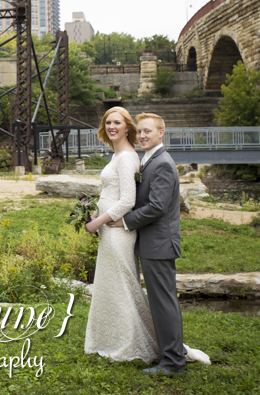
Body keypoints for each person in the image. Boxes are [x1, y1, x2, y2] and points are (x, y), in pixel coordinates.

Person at [86, 110, 209, 375]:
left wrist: (124, 221)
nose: (142, 135)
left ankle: (174, 362)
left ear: (161, 133)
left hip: (160, 243)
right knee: (158, 302)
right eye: (140, 131)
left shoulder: (162, 162)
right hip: (150, 242)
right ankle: (168, 353)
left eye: (147, 131)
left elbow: (157, 207)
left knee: (163, 303)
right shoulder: (149, 160)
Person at [83, 107, 160, 364]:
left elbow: (128, 200)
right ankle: (110, 339)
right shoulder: (117, 155)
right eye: (108, 122)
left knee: (123, 285)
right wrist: (94, 212)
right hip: (108, 228)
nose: (111, 126)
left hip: (117, 231)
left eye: (117, 122)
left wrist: (98, 222)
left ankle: (131, 343)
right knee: (111, 285)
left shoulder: (127, 157)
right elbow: (112, 193)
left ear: (128, 127)